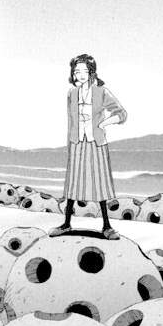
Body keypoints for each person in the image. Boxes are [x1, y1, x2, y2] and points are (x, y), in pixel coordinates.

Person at [50, 53, 127, 240]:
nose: (80, 75)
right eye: (77, 71)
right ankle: (66, 223)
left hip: (96, 143)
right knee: (72, 184)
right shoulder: (72, 93)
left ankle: (107, 226)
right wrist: (70, 143)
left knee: (99, 184)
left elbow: (121, 114)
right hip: (77, 143)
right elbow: (71, 121)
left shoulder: (102, 91)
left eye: (84, 71)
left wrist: (103, 124)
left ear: (92, 72)